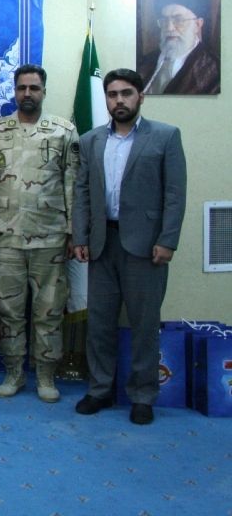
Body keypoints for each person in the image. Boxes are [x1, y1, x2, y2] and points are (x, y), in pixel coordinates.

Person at [72, 68, 186, 425]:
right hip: (101, 244)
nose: (119, 100)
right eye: (112, 94)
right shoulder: (90, 140)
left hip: (147, 246)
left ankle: (142, 395)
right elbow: (81, 192)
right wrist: (79, 237)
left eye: (126, 93)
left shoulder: (165, 136)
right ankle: (100, 390)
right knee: (99, 324)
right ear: (106, 99)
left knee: (144, 325)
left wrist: (167, 240)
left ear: (140, 97)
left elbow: (175, 194)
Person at [0, 65, 79, 402]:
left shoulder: (63, 132)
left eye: (34, 88)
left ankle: (46, 376)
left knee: (48, 312)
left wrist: (73, 233)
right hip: (7, 238)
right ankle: (13, 373)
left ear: (43, 91)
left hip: (50, 238)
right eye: (22, 88)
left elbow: (72, 184)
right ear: (14, 91)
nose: (27, 94)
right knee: (8, 311)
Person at [138, 0, 219, 94]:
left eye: (178, 20)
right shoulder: (144, 62)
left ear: (197, 24)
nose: (169, 27)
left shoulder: (215, 72)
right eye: (164, 20)